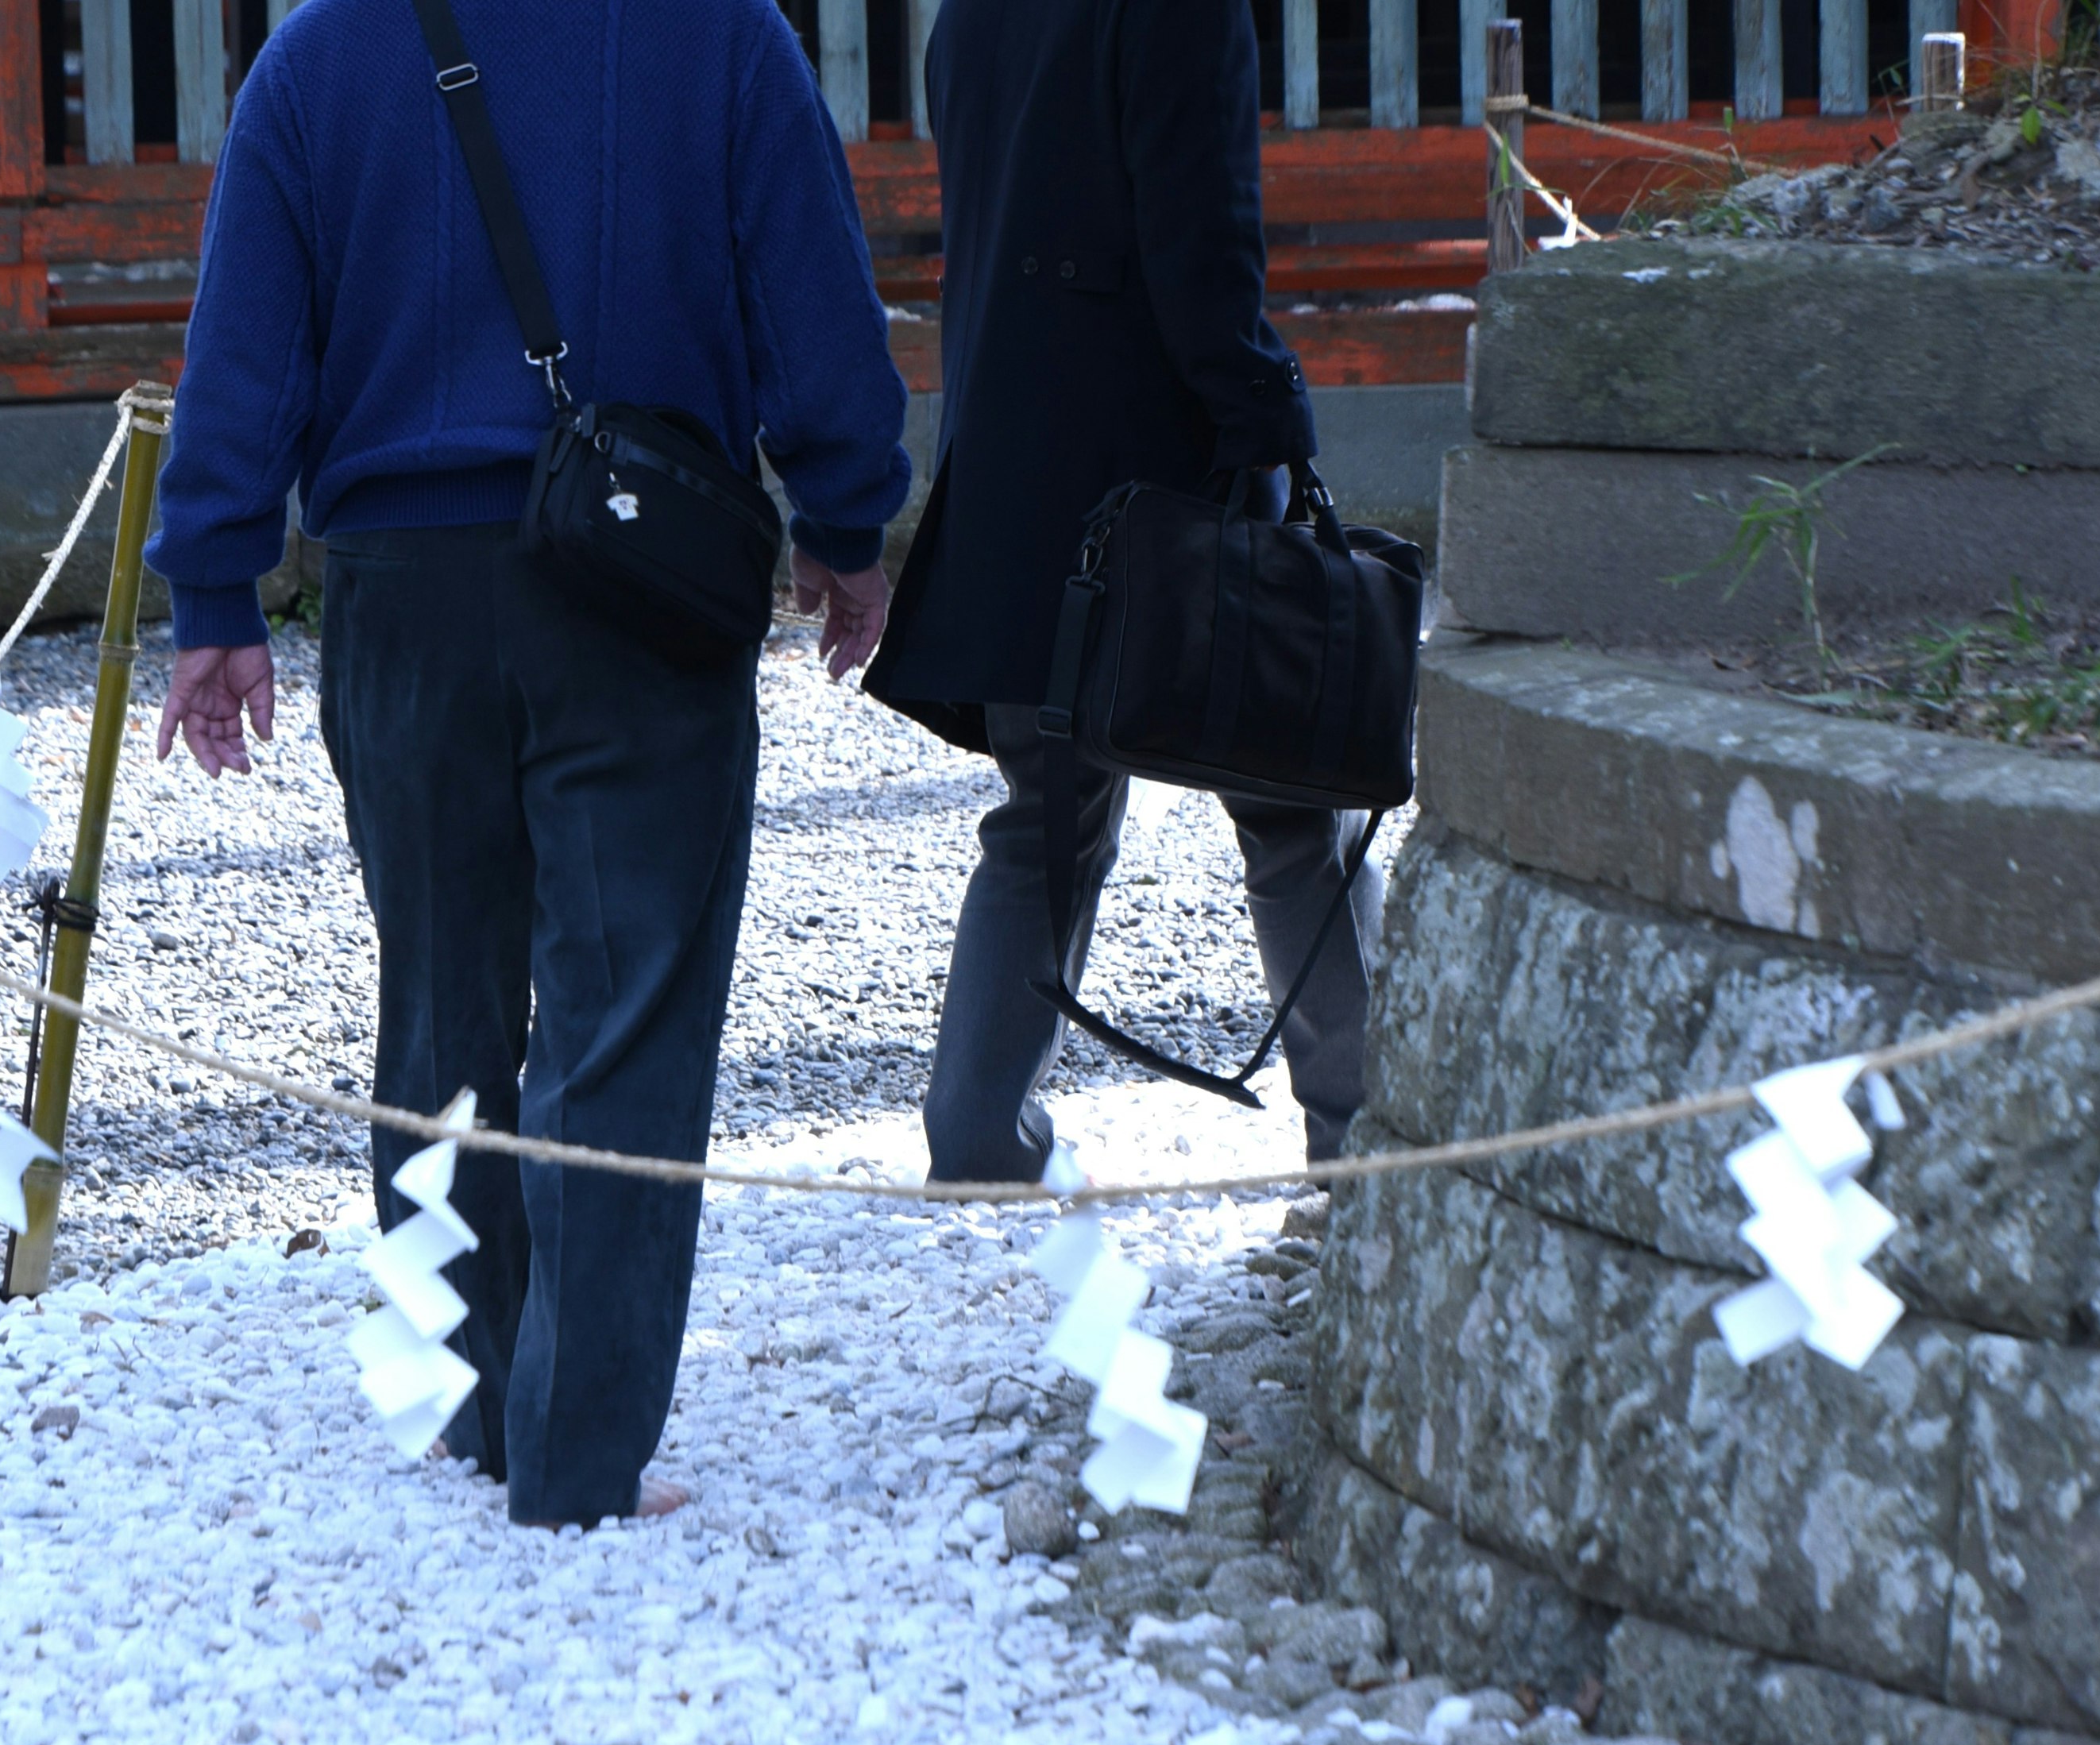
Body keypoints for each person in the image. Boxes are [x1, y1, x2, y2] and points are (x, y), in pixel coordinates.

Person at [145, 0, 913, 1527]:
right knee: (627, 1012)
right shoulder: (720, 35)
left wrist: (216, 591)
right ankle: (577, 1452)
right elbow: (817, 308)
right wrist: (846, 520)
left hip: (399, 589)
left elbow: (245, 336)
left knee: (440, 999)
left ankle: (472, 1401)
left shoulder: (318, 49)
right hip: (638, 580)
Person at [864, 0, 1382, 1178]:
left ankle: (977, 1137)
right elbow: (1203, 252)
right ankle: (1364, 1137)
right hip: (1164, 484)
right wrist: (1275, 420)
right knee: (1297, 807)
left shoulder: (971, 18)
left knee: (1044, 820)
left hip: (1014, 477)